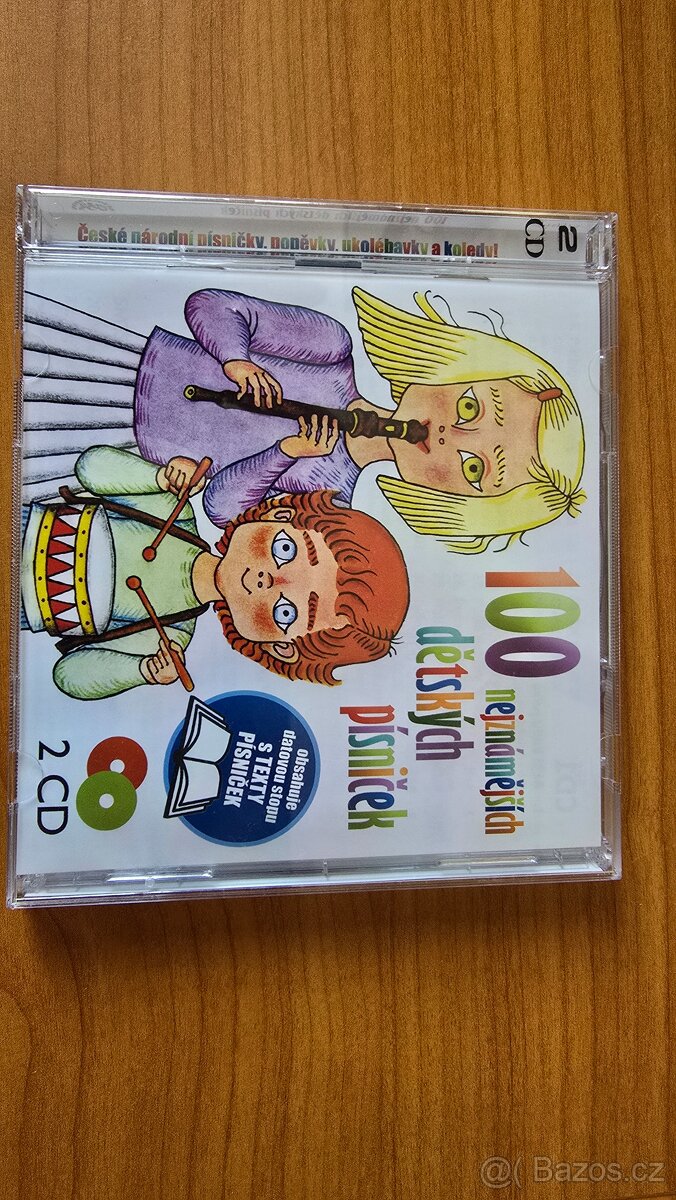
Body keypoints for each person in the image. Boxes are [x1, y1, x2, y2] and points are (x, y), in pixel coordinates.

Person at [23, 286, 585, 552]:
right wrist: (235, 359)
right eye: (469, 407)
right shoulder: (332, 350)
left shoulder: (330, 502)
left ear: (454, 504)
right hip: (114, 362)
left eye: (473, 469)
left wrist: (284, 455)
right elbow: (209, 305)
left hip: (123, 460)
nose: (449, 437)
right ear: (453, 367)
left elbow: (221, 510)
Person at [21, 446, 409, 699]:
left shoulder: (169, 637)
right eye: (285, 549)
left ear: (280, 647)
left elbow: (68, 675)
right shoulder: (173, 509)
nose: (270, 580)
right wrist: (157, 478)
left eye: (285, 611)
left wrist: (140, 671)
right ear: (278, 514)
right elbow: (90, 468)